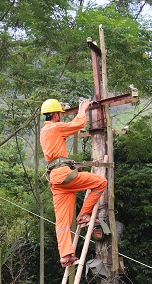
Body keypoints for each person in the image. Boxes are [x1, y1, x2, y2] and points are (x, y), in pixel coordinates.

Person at [40, 98, 108, 268]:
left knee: (62, 220)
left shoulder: (43, 132)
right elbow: (78, 124)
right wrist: (82, 108)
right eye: (59, 114)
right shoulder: (55, 127)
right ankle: (84, 214)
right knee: (100, 182)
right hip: (64, 175)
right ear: (56, 114)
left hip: (56, 180)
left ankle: (65, 255)